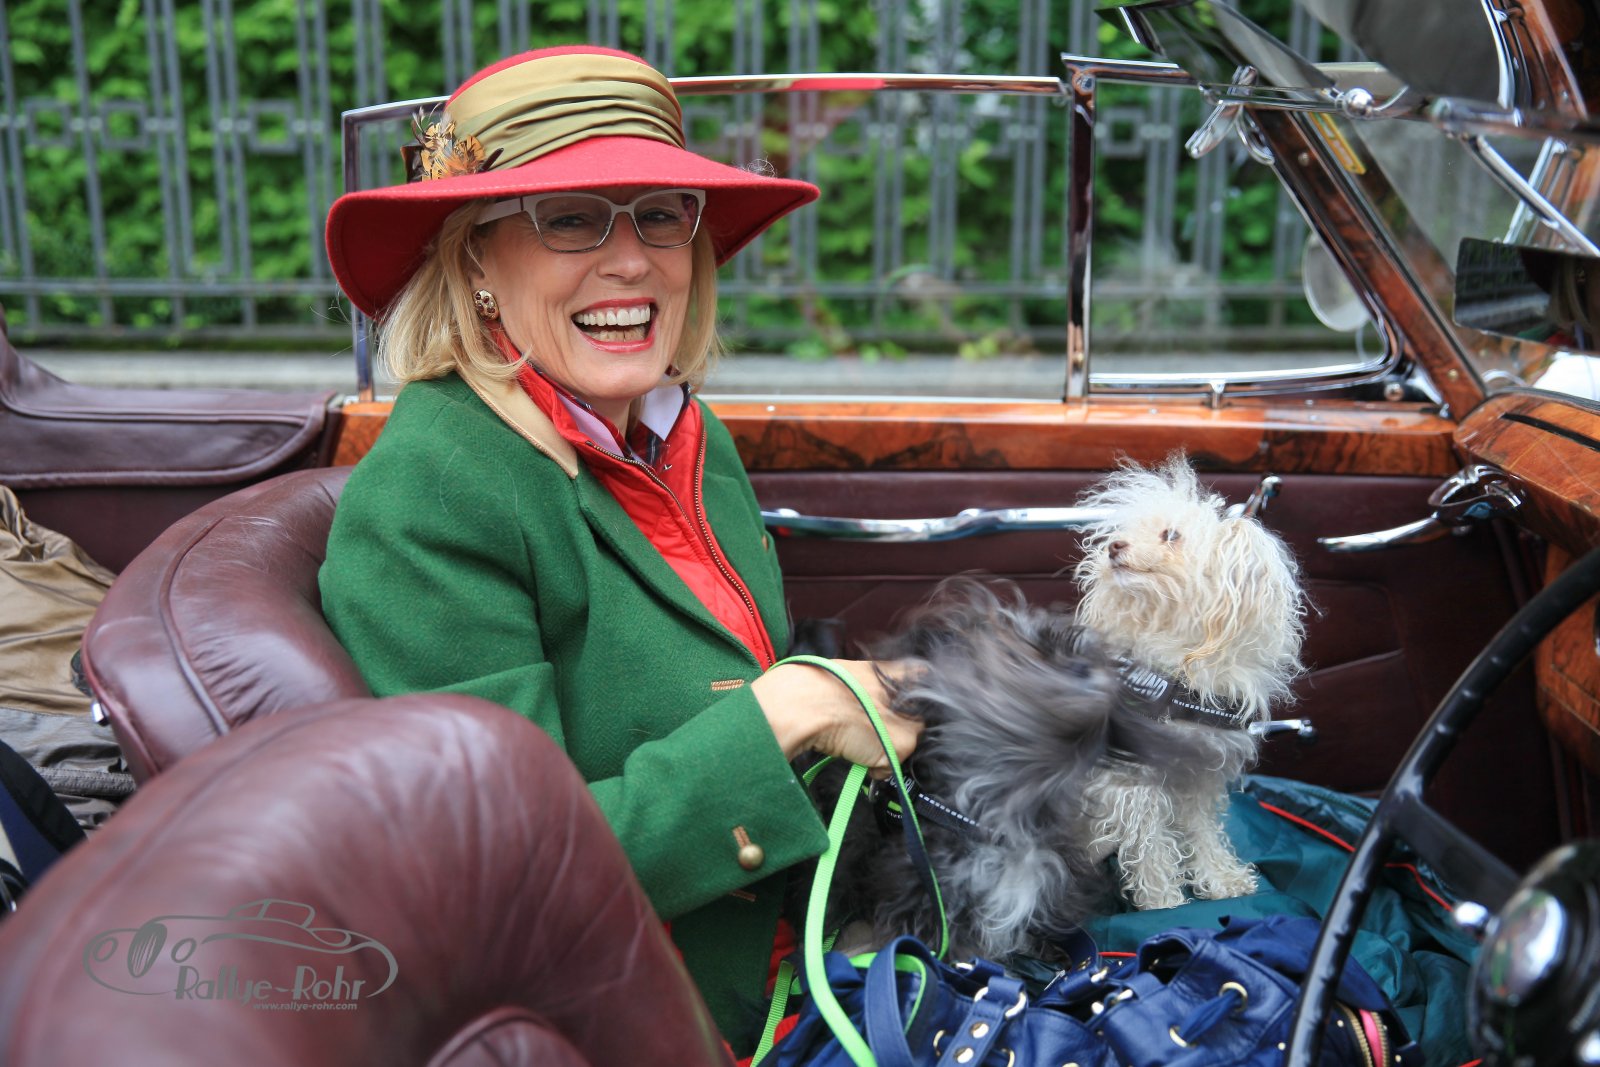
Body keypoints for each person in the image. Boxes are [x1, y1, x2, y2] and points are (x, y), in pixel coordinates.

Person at [317, 44, 920, 1053]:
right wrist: (791, 709)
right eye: (569, 218)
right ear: (474, 260)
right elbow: (509, 883)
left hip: (823, 937)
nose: (632, 260)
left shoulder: (679, 428)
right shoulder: (432, 490)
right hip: (663, 1020)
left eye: (659, 213)